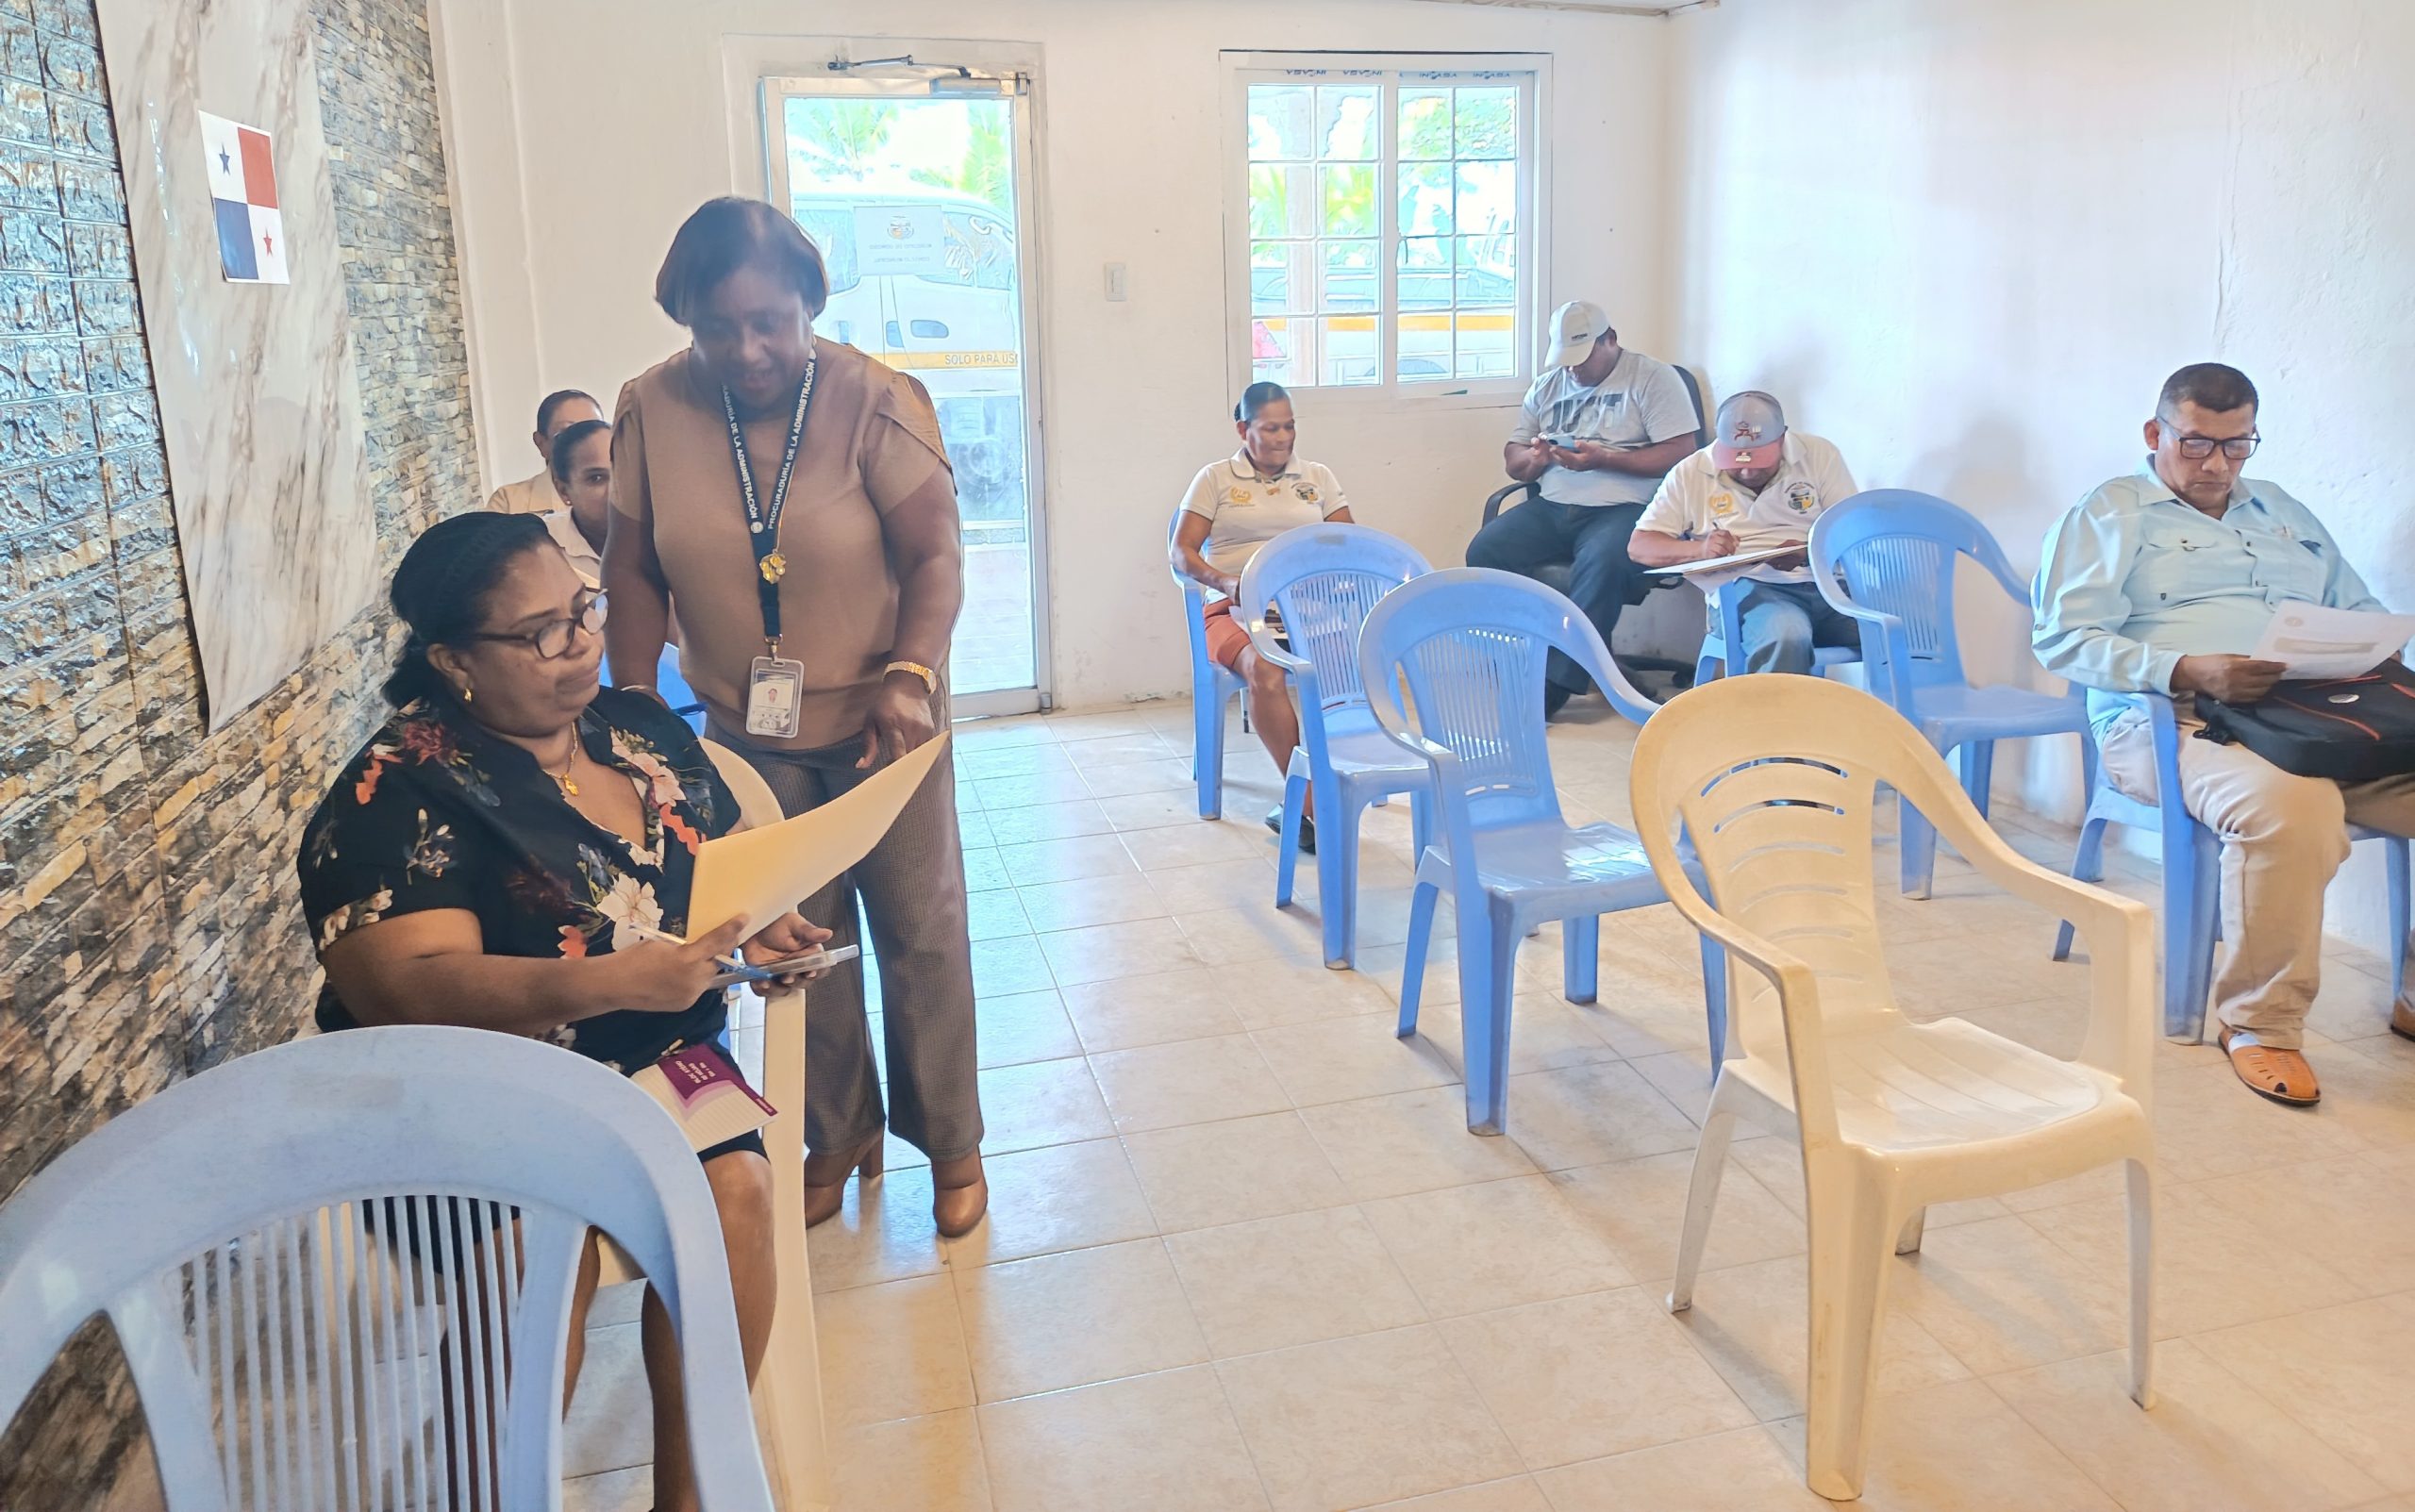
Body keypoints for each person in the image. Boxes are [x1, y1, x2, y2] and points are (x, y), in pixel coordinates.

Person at [299, 511, 831, 1512]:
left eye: (582, 611)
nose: (582, 643)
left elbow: (719, 863)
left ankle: (693, 1495)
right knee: (530, 1255)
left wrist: (762, 928)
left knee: (739, 1198)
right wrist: (613, 982)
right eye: (541, 632)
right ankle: (494, 1492)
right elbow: (406, 990)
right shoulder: (392, 790)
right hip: (471, 1089)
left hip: (660, 1054)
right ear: (454, 659)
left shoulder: (638, 728)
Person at [603, 196, 985, 1236]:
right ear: (684, 319)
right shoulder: (650, 409)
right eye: (717, 327)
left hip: (885, 722)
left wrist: (911, 672)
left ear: (809, 303)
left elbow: (935, 555)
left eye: (769, 322)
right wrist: (634, 705)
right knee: (790, 950)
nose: (747, 349)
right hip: (745, 735)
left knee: (920, 933)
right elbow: (630, 568)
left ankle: (952, 1143)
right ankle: (838, 1133)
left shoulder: (876, 400)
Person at [2033, 362, 2415, 1105]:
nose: (2217, 465)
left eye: (2237, 445)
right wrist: (2185, 668)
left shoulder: (2282, 510)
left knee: (2325, 786)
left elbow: (2358, 605)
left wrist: (2370, 645)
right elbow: (2061, 639)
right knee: (2294, 809)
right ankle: (2259, 1024)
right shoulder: (2109, 513)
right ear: (2156, 433)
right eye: (2197, 444)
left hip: (2316, 719)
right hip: (2171, 719)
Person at [1467, 300, 1700, 716]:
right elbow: (1514, 459)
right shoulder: (1548, 385)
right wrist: (1535, 459)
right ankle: (1522, 660)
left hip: (1626, 507)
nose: (1573, 369)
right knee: (1486, 550)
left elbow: (1682, 454)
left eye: (1583, 357)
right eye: (1566, 359)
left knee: (1603, 561)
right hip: (1555, 505)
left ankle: (1555, 686)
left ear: (1610, 340)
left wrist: (1605, 459)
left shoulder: (1652, 378)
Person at [1171, 381, 1355, 851]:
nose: (1283, 438)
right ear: (1243, 430)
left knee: (1348, 670)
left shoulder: (1317, 477)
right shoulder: (1215, 478)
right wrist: (1224, 582)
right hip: (1231, 608)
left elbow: (1349, 544)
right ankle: (1308, 801)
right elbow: (1182, 552)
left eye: (1289, 427)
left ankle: (1337, 784)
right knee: (1265, 671)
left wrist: (1333, 580)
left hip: (1304, 608)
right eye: (1270, 428)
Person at [1630, 390, 1861, 673]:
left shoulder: (1819, 455)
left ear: (1782, 439)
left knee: (1901, 627)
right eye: (1737, 463)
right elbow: (1640, 546)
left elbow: (1852, 531)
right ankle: (1774, 706)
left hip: (1828, 585)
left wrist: (1807, 552)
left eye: (1759, 461)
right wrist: (1700, 550)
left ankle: (1890, 706)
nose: (1748, 473)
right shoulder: (1690, 472)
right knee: (1787, 635)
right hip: (1747, 589)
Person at [488, 389, 606, 514]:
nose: (585, 443)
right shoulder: (508, 503)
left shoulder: (619, 495)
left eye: (594, 431)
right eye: (567, 432)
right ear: (541, 443)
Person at [542, 416, 613, 586]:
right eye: (596, 478)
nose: (616, 489)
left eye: (625, 472)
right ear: (564, 491)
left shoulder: (664, 537)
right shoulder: (541, 545)